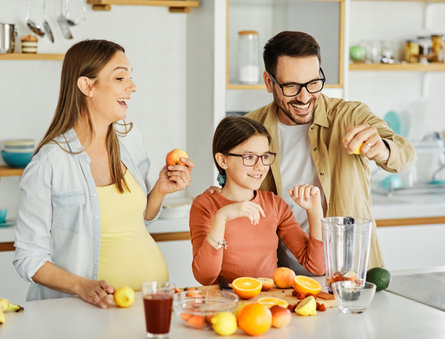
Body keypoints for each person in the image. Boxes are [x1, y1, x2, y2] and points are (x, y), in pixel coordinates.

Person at [13, 39, 194, 308]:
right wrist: (80, 285)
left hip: (147, 303)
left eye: (130, 77)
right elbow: (28, 257)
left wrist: (159, 189)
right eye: (120, 77)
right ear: (87, 86)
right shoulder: (50, 163)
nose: (132, 87)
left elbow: (137, 222)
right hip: (84, 311)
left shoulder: (130, 138)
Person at [245, 31, 415, 273]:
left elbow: (405, 154)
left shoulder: (350, 115)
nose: (305, 97)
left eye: (313, 83)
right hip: (281, 281)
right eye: (292, 86)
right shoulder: (252, 127)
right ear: (269, 82)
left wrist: (383, 149)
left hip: (351, 274)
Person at [189, 116, 324, 286]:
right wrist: (222, 217)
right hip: (227, 305)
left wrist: (315, 212)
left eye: (265, 156)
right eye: (249, 157)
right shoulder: (205, 205)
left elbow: (316, 267)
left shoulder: (275, 205)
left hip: (270, 303)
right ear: (223, 160)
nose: (260, 167)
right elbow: (205, 277)